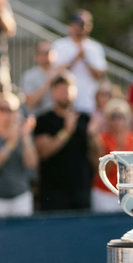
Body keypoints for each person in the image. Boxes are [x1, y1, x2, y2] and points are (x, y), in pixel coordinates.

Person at [34, 72, 102, 211]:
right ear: (52, 92)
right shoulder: (43, 120)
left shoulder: (85, 119)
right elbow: (44, 151)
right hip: (53, 192)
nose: (64, 93)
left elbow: (98, 156)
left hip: (81, 189)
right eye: (60, 89)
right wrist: (66, 131)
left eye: (68, 88)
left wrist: (93, 135)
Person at [0, 91, 38, 217]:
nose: (6, 114)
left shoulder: (24, 136)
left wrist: (25, 137)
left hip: (20, 197)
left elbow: (31, 164)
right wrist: (10, 143)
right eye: (2, 109)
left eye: (11, 110)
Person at [92, 99, 133, 212]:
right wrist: (119, 151)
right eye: (113, 116)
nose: (117, 120)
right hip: (105, 193)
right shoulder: (101, 139)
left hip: (129, 195)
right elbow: (102, 169)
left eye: (121, 116)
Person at [51, 10, 107, 114]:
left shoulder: (95, 48)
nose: (79, 28)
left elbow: (100, 75)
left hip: (89, 104)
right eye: (76, 24)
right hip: (65, 105)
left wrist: (85, 59)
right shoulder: (59, 45)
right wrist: (75, 58)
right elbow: (56, 74)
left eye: (83, 25)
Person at [21, 41, 63, 116]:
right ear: (36, 55)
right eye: (43, 53)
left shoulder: (62, 73)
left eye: (49, 52)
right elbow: (30, 102)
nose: (46, 56)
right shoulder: (29, 76)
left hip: (59, 119)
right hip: (39, 119)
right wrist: (48, 82)